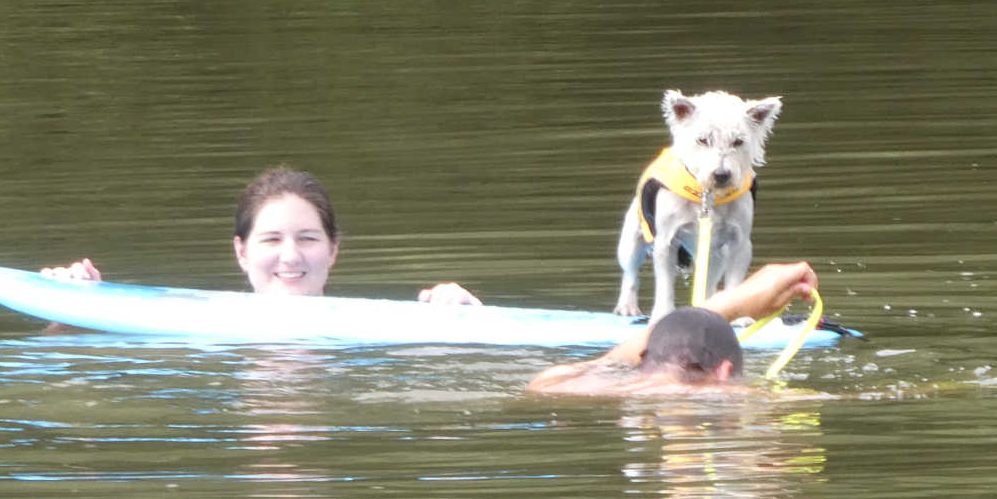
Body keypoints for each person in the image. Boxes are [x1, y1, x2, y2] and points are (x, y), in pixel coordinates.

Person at [42, 165, 481, 305]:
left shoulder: (387, 339)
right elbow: (71, 373)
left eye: (307, 238)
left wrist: (463, 318)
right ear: (241, 252)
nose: (290, 256)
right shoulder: (195, 336)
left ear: (334, 251)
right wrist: (70, 314)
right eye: (271, 239)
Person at [525, 261, 823, 396]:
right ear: (724, 371)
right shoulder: (736, 396)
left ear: (642, 358)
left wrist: (732, 303)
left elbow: (603, 364)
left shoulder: (569, 387)